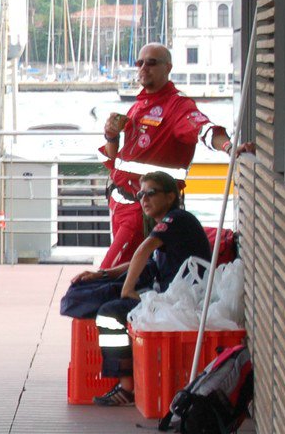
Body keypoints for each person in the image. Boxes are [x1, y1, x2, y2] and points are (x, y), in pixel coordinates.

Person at [99, 43, 252, 269]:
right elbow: (115, 160)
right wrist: (111, 135)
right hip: (119, 207)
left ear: (167, 68)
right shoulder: (140, 105)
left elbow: (204, 130)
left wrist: (229, 147)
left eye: (151, 62)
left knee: (107, 273)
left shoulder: (177, 106)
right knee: (134, 273)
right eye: (139, 63)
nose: (143, 67)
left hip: (141, 213)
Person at [73, 169, 214, 407]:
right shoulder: (168, 224)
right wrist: (103, 274)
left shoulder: (176, 219)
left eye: (151, 193)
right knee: (96, 295)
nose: (144, 200)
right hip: (171, 296)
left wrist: (127, 290)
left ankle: (127, 387)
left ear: (170, 197)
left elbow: (143, 250)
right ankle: (129, 379)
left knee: (110, 313)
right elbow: (145, 260)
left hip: (182, 302)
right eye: (140, 195)